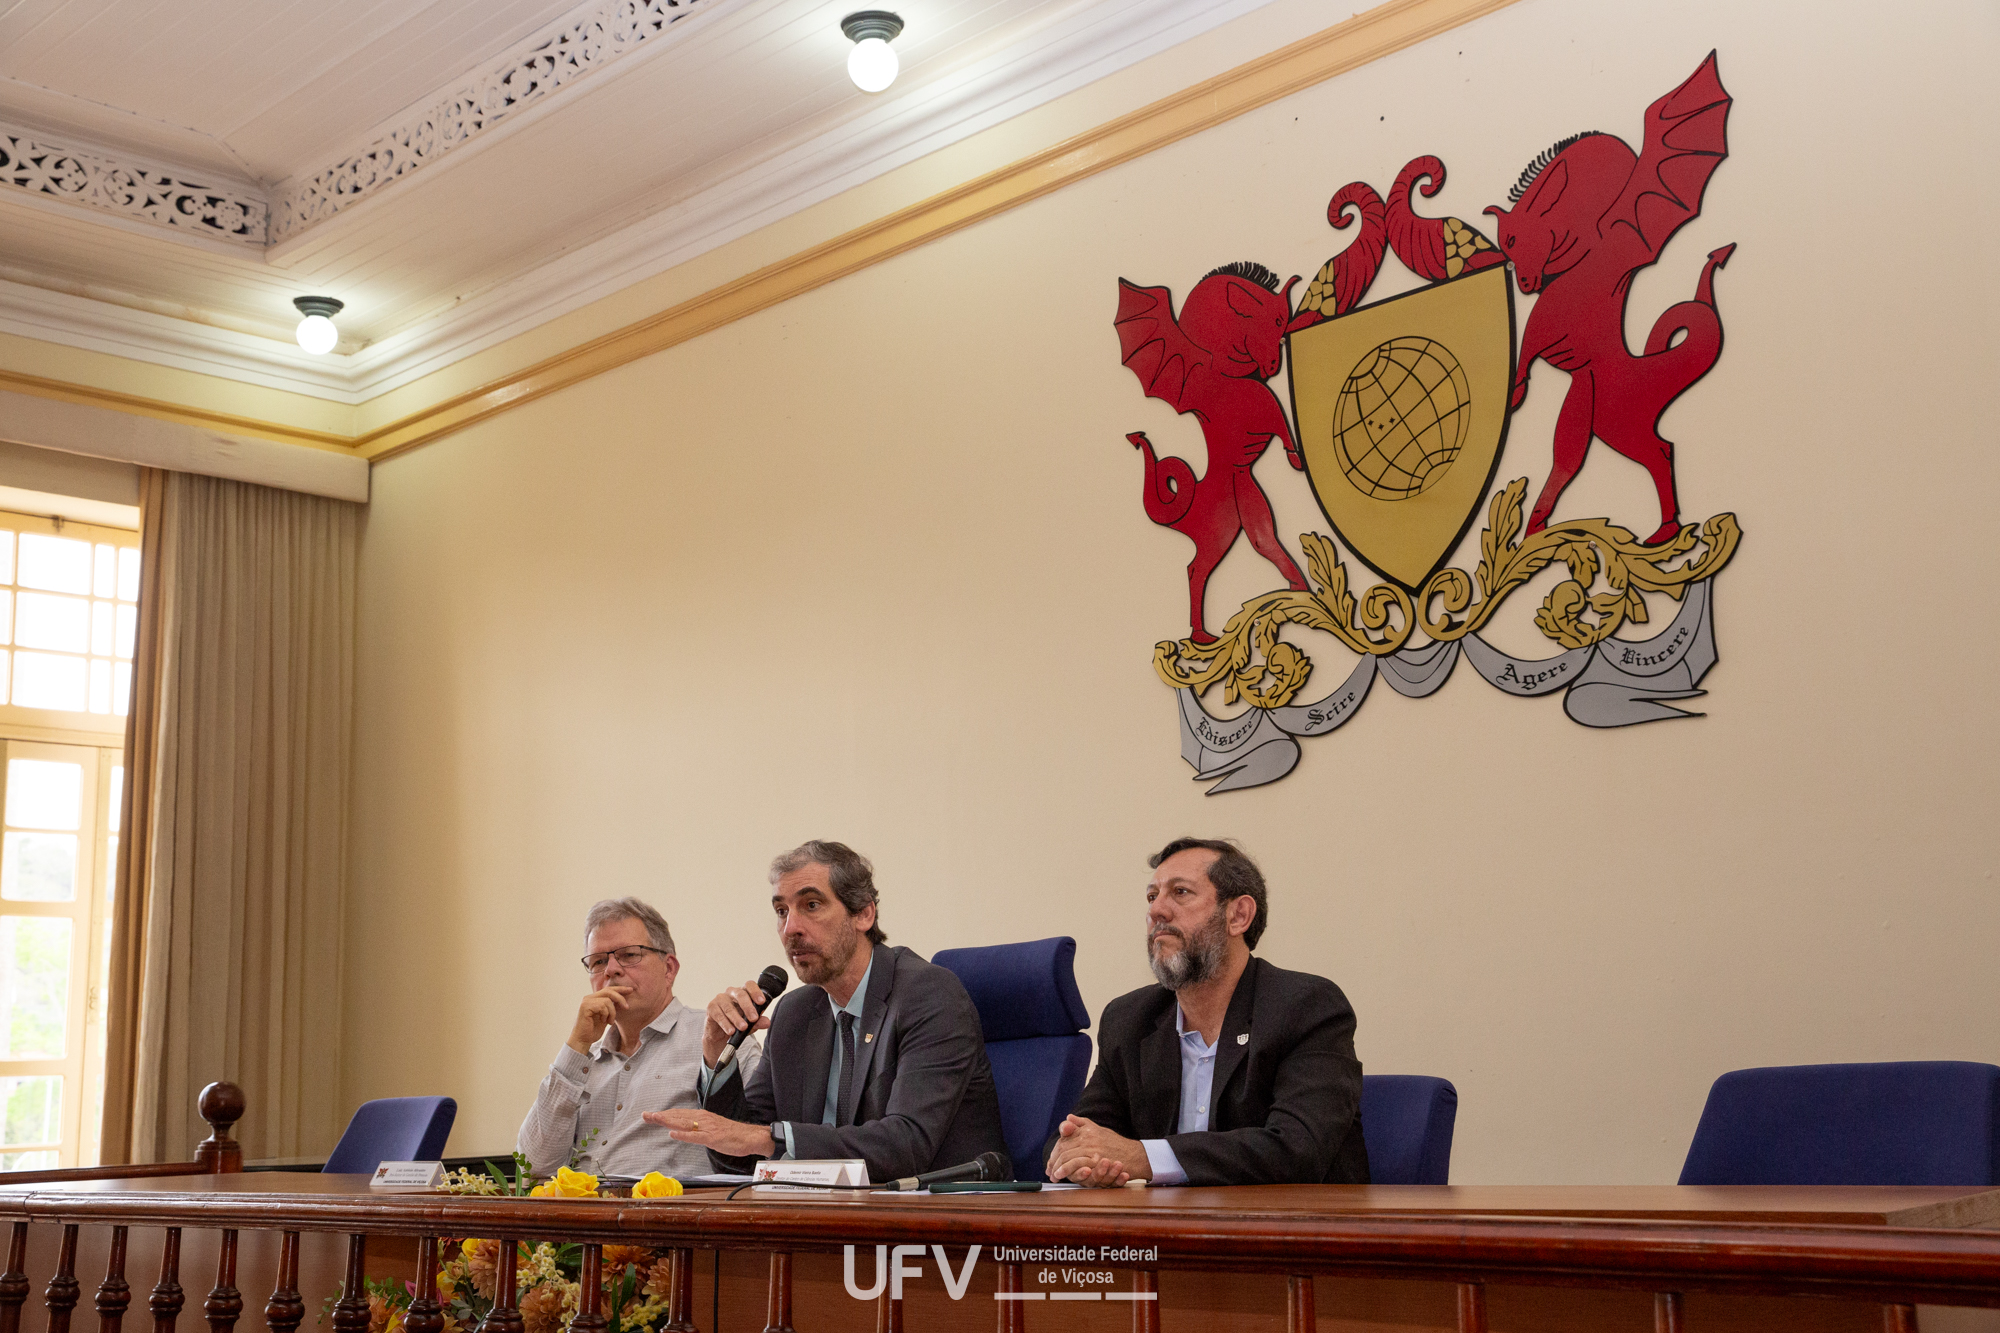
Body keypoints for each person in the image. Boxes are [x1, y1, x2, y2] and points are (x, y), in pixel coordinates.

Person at [648, 840, 1009, 1183]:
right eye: (781, 911)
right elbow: (737, 1157)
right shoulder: (794, 1012)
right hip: (829, 1219)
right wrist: (715, 1053)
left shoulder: (928, 994)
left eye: (811, 905)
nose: (791, 929)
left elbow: (906, 1144)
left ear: (863, 914)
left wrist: (767, 1139)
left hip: (943, 1222)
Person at [1045, 837, 1369, 1186]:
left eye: (1180, 892)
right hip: (1164, 1232)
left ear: (1238, 915)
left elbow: (1298, 1149)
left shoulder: (1307, 1007)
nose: (1156, 911)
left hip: (1292, 1232)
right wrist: (1079, 1157)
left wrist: (1145, 1158)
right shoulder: (1130, 1020)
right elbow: (1081, 1135)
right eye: (1152, 896)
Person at [518, 897, 754, 1179]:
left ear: (669, 969)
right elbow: (531, 1168)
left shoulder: (718, 1039)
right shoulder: (580, 1063)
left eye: (629, 955)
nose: (611, 970)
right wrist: (575, 1048)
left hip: (667, 1217)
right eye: (598, 961)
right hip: (579, 1216)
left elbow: (757, 1146)